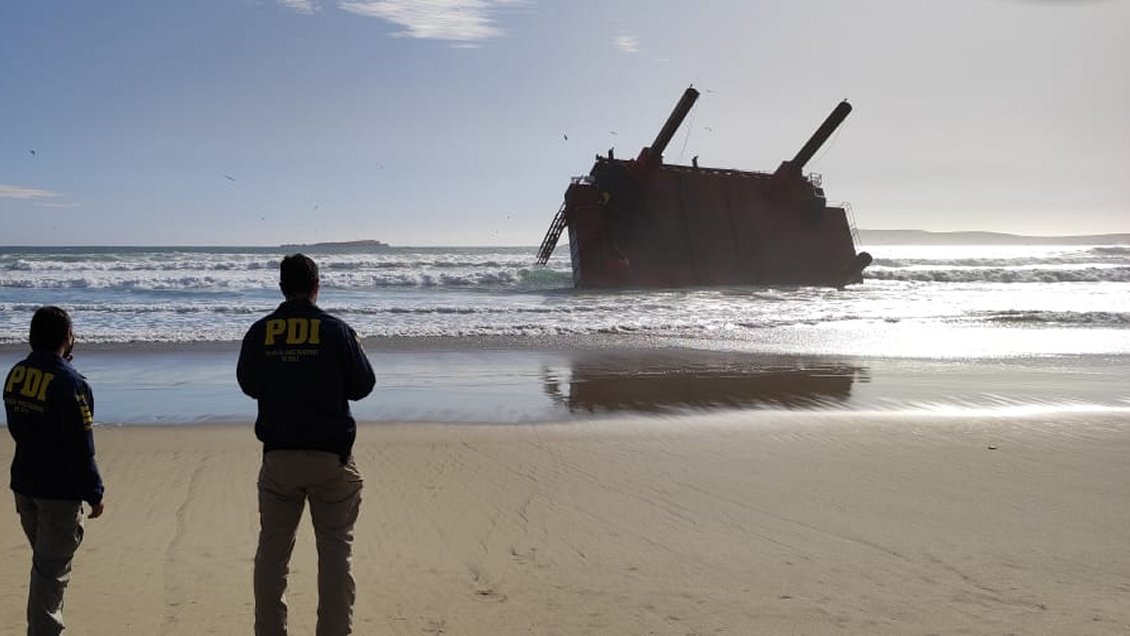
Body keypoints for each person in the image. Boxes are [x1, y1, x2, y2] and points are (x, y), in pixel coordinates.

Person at [237, 253, 376, 636]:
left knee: (272, 554)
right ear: (317, 286)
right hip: (330, 458)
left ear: (281, 286)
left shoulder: (261, 331)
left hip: (279, 457)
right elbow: (363, 386)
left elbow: (248, 384)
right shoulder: (336, 331)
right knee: (334, 553)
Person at [4, 306, 105, 636]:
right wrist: (95, 493)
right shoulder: (71, 383)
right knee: (50, 574)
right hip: (58, 492)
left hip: (25, 485)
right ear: (67, 338)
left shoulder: (16, 374)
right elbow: (82, 445)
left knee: (45, 568)